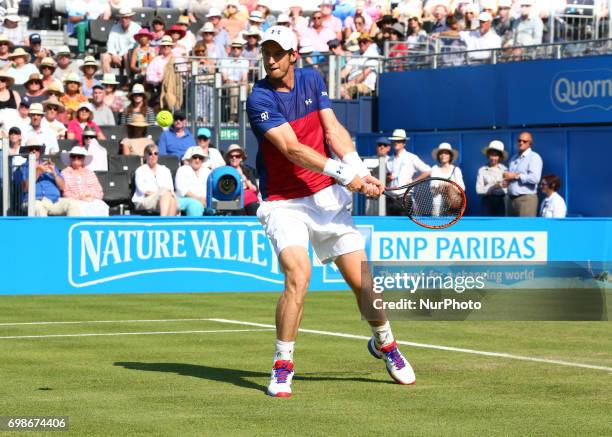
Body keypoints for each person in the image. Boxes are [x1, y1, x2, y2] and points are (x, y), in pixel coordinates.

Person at [246, 26, 415, 397]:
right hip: (284, 203)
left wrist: (357, 168)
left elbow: (332, 128)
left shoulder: (311, 79)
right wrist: (344, 174)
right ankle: (282, 364)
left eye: (278, 52)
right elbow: (291, 150)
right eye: (266, 52)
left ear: (294, 55)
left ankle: (386, 344)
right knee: (298, 276)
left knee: (364, 285)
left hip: (327, 201)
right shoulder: (258, 98)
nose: (270, 59)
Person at [16, 138, 79, 217]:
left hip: (53, 201)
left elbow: (63, 186)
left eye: (37, 149)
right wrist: (38, 172)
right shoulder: (22, 168)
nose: (34, 151)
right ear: (26, 152)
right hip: (33, 201)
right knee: (38, 207)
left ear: (40, 151)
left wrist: (54, 173)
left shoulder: (50, 165)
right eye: (31, 149)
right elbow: (25, 188)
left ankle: (68, 229)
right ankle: (44, 230)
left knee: (72, 204)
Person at [386, 128, 431, 216]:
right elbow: (387, 178)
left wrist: (413, 182)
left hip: (405, 197)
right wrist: (388, 179)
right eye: (394, 141)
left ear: (404, 143)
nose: (396, 142)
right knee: (391, 227)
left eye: (399, 141)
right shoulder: (389, 160)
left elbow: (427, 171)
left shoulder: (411, 157)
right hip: (390, 198)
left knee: (405, 227)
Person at [60, 145, 109, 216]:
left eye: (79, 157)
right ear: (70, 158)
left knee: (100, 205)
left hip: (91, 199)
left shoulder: (90, 173)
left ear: (83, 159)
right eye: (73, 156)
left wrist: (90, 195)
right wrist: (80, 197)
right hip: (74, 201)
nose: (76, 159)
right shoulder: (65, 173)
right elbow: (65, 192)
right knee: (77, 207)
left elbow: (99, 191)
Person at [503, 131, 543, 217]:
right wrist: (507, 181)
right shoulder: (513, 158)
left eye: (524, 141)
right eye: (519, 140)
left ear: (530, 143)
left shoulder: (534, 157)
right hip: (511, 199)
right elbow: (511, 177)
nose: (521, 143)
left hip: (526, 199)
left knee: (526, 229)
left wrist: (516, 176)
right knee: (510, 229)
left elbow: (535, 178)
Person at [132, 144, 178, 216]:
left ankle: (166, 224)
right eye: (150, 154)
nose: (153, 156)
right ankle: (164, 223)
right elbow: (144, 191)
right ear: (145, 156)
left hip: (163, 199)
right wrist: (159, 193)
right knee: (166, 194)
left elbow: (171, 189)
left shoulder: (165, 170)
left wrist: (160, 193)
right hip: (143, 200)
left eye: (156, 153)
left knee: (171, 199)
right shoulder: (140, 170)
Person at [101, 8, 141, 74]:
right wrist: (114, 55)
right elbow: (110, 43)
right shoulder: (114, 28)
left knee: (127, 55)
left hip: (131, 55)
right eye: (122, 18)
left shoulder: (137, 28)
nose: (124, 20)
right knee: (104, 56)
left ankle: (129, 79)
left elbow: (135, 45)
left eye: (126, 18)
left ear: (130, 18)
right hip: (116, 55)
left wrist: (121, 55)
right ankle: (108, 80)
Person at [430, 142, 465, 216]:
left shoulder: (456, 170)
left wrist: (449, 186)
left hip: (453, 206)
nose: (443, 155)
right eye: (441, 153)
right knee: (436, 226)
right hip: (437, 205)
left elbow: (462, 188)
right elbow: (432, 188)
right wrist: (443, 185)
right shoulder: (434, 168)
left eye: (446, 153)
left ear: (450, 156)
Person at [175, 146, 212, 216]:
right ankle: (194, 226)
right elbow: (183, 191)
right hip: (185, 200)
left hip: (206, 200)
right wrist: (199, 199)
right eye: (195, 157)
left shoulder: (207, 172)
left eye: (200, 158)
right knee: (195, 205)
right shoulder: (182, 170)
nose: (197, 160)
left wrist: (206, 200)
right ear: (190, 159)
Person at [340, 33, 380, 99]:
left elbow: (364, 75)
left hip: (366, 85)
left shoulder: (373, 54)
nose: (361, 43)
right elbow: (346, 70)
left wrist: (348, 84)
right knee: (333, 88)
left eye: (364, 41)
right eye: (360, 41)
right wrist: (336, 80)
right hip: (352, 83)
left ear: (369, 43)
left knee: (342, 90)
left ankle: (349, 108)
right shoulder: (356, 53)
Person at [224, 143, 259, 216]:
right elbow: (225, 191)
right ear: (228, 158)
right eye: (231, 156)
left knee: (253, 206)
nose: (234, 158)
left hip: (249, 199)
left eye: (237, 156)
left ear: (241, 158)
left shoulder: (247, 170)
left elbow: (255, 189)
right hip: (233, 200)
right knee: (238, 208)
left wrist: (244, 178)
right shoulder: (225, 171)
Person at [476, 140, 508, 216]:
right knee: (487, 227)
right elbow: (479, 190)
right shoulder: (482, 170)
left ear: (500, 157)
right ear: (488, 155)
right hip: (487, 203)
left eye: (496, 155)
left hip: (502, 202)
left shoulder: (505, 170)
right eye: (491, 155)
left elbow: (507, 190)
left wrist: (488, 188)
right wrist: (494, 186)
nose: (493, 158)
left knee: (500, 226)